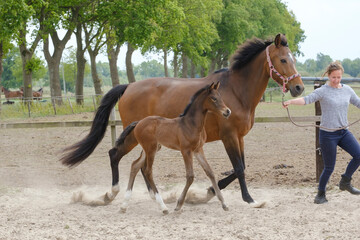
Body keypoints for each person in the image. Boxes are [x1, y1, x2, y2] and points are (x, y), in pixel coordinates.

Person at [283, 61, 360, 204]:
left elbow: (358, 102)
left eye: (339, 77)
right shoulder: (323, 90)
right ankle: (320, 194)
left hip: (344, 132)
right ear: (328, 76)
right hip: (328, 134)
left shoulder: (347, 90)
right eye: (333, 77)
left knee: (359, 155)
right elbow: (307, 100)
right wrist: (291, 102)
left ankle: (345, 181)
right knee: (329, 167)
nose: (336, 80)